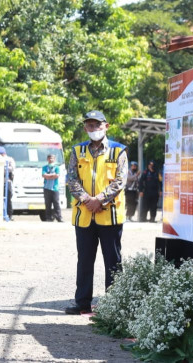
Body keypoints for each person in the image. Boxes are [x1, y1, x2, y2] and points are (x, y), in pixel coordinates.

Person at [65, 110, 127, 315]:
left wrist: (99, 200)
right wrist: (87, 200)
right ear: (85, 128)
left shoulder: (118, 151)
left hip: (110, 215)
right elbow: (71, 179)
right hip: (84, 215)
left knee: (113, 261)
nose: (94, 129)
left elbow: (120, 180)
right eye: (90, 126)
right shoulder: (77, 151)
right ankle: (82, 302)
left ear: (106, 126)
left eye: (97, 125)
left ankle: (116, 304)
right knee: (84, 260)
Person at [42, 154, 63, 222]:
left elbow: (57, 175)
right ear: (47, 159)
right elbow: (44, 175)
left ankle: (59, 217)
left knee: (56, 203)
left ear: (54, 159)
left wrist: (49, 176)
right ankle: (48, 218)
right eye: (49, 158)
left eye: (52, 158)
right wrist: (52, 175)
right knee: (48, 204)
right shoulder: (44, 167)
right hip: (47, 188)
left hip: (55, 188)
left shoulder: (56, 167)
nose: (51, 160)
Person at [0, 146, 15, 219]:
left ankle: (9, 214)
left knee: (8, 198)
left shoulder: (9, 159)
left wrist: (2, 168)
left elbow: (11, 168)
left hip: (7, 181)